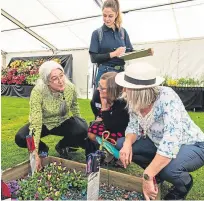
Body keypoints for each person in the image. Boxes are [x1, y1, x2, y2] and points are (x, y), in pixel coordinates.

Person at [115, 62, 204, 200]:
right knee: (121, 144)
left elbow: (171, 141)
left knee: (170, 170)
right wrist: (127, 144)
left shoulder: (167, 97)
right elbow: (133, 127)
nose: (123, 90)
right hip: (158, 143)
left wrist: (147, 175)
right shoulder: (133, 101)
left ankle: (183, 184)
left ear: (139, 91)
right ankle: (157, 173)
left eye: (126, 87)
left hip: (191, 144)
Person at [15, 61, 88, 171]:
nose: (60, 81)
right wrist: (34, 152)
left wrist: (81, 126)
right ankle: (42, 148)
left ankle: (62, 145)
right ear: (47, 81)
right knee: (21, 137)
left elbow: (75, 106)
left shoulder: (70, 87)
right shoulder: (38, 92)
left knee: (82, 128)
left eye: (61, 75)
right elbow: (36, 122)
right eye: (54, 78)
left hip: (62, 122)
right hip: (43, 123)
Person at [86, 72, 129, 163]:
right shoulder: (98, 95)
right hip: (110, 124)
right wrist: (99, 116)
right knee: (92, 130)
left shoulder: (123, 103)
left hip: (123, 130)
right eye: (99, 85)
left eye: (102, 88)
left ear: (113, 90)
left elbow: (112, 126)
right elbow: (94, 106)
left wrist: (105, 107)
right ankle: (110, 152)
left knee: (116, 140)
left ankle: (118, 154)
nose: (98, 89)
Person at [89, 0, 133, 87]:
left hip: (121, 74)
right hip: (105, 74)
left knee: (120, 100)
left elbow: (130, 51)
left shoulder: (123, 32)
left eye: (110, 16)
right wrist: (114, 54)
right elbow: (93, 58)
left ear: (116, 14)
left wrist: (145, 52)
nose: (107, 19)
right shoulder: (97, 33)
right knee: (103, 100)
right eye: (104, 15)